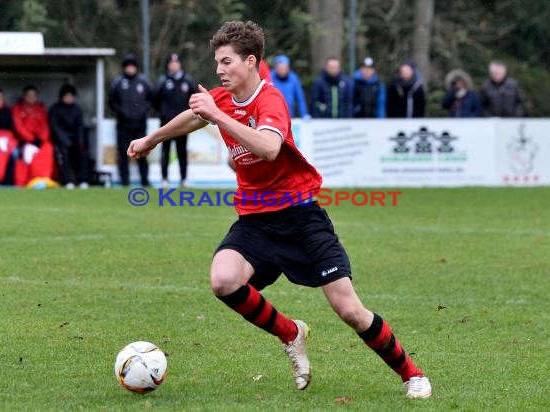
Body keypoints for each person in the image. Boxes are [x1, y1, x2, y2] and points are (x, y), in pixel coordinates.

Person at [127, 20, 431, 398]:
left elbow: (269, 148)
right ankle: (291, 332)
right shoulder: (222, 99)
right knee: (223, 281)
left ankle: (411, 374)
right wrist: (152, 138)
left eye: (226, 62)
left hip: (301, 218)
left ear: (250, 61)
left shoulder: (270, 100)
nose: (219, 70)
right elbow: (193, 117)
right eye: (217, 63)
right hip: (255, 220)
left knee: (350, 310)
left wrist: (216, 115)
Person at [153, 53, 197, 188]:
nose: (174, 65)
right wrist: (163, 113)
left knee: (182, 151)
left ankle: (183, 179)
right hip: (166, 123)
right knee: (165, 151)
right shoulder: (162, 81)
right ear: (168, 65)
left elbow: (195, 99)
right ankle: (164, 179)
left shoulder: (188, 81)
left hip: (183, 124)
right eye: (171, 63)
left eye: (176, 63)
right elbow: (155, 100)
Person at [109, 52, 152, 186]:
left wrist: (142, 112)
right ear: (124, 68)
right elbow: (111, 101)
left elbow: (151, 100)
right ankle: (124, 182)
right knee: (123, 154)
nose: (130, 68)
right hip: (123, 126)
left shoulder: (144, 82)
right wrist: (122, 113)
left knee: (142, 154)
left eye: (133, 66)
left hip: (140, 126)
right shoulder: (118, 82)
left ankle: (145, 181)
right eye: (128, 66)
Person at [12, 85, 56, 186]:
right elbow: (19, 127)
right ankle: (28, 181)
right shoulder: (17, 108)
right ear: (24, 96)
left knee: (48, 149)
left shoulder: (41, 108)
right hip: (24, 141)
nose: (31, 97)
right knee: (26, 154)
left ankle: (43, 179)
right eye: (29, 95)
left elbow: (45, 126)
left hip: (40, 141)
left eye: (33, 95)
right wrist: (31, 139)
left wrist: (40, 139)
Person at [48, 84, 90, 189]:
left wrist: (80, 141)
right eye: (67, 96)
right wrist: (65, 140)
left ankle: (83, 180)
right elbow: (54, 126)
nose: (69, 98)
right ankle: (67, 181)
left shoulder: (77, 109)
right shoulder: (55, 109)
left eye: (71, 96)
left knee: (83, 153)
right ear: (62, 97)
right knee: (64, 155)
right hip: (61, 141)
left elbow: (80, 126)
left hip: (75, 139)